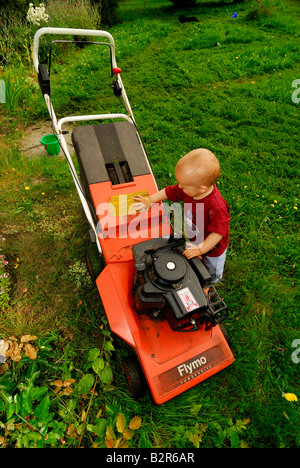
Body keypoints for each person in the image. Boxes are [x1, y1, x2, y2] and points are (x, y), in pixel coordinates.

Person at [133, 148, 230, 283]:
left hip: (213, 248)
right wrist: (150, 200)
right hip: (196, 236)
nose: (179, 187)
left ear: (202, 188)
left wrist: (201, 249)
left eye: (183, 186)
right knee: (195, 258)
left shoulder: (216, 207)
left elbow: (218, 233)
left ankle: (210, 282)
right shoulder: (190, 189)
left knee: (211, 268)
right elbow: (170, 192)